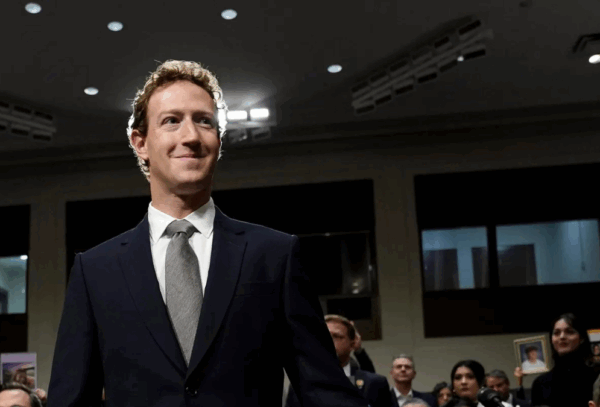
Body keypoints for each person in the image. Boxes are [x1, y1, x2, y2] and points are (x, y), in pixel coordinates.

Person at [46, 60, 369, 407]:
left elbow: (326, 392)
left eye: (204, 121)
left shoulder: (274, 255)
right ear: (140, 143)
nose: (191, 136)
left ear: (218, 139)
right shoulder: (95, 270)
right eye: (172, 121)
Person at [286, 314, 392, 407]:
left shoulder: (375, 383)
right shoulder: (301, 384)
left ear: (352, 344)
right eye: (323, 336)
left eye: (336, 336)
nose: (328, 341)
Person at [531, 313, 600, 407]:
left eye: (569, 332)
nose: (562, 337)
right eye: (556, 333)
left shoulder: (597, 375)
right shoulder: (540, 383)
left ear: (582, 338)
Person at [444, 360, 510, 407]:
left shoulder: (500, 405)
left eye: (470, 377)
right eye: (458, 378)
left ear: (481, 382)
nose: (463, 382)